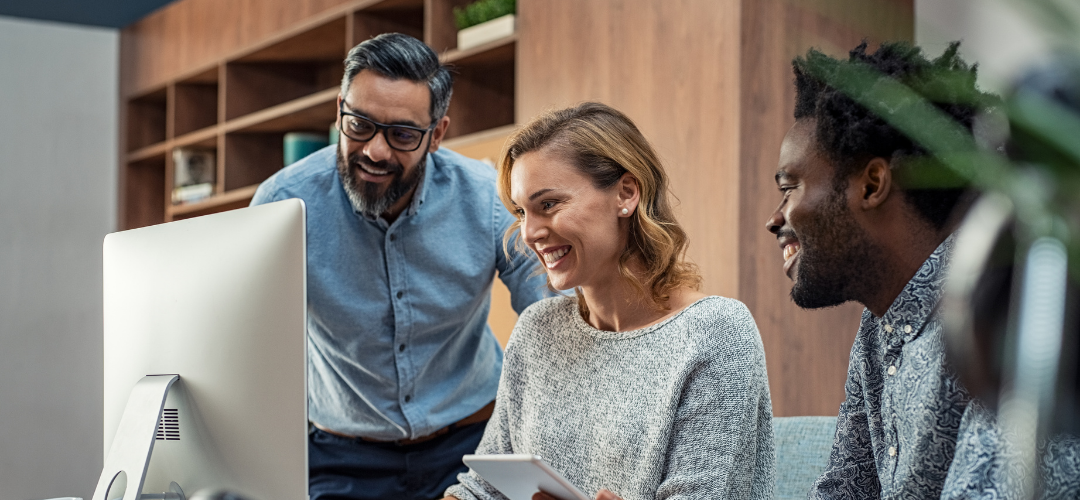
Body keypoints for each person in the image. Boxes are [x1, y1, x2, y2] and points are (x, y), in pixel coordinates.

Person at [767, 41, 1080, 500]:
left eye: (790, 186)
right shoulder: (878, 326)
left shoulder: (994, 296)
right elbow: (843, 491)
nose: (775, 218)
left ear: (872, 184)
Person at [249, 33, 548, 500]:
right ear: (339, 112)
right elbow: (251, 343)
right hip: (342, 455)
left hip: (474, 443)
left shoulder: (487, 198)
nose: (376, 151)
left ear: (438, 135)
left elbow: (554, 319)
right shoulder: (282, 206)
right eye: (360, 125)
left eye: (403, 134)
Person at [441, 102, 775, 500]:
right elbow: (482, 487)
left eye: (548, 205)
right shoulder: (537, 330)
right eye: (520, 212)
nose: (529, 233)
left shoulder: (716, 333)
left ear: (626, 193)